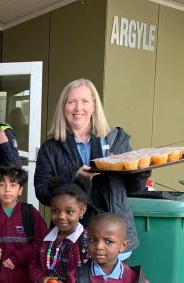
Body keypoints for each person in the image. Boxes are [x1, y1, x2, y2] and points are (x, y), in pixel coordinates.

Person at [34, 78, 148, 256]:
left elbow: (133, 188)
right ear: (63, 107)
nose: (78, 108)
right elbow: (41, 192)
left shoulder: (115, 140)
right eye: (71, 102)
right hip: (71, 237)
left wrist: (142, 169)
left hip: (113, 234)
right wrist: (76, 180)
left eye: (85, 101)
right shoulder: (50, 148)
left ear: (94, 106)